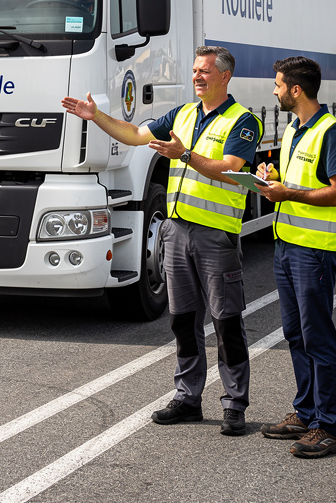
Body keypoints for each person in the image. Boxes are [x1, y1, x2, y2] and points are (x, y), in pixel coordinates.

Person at [62, 46, 262, 436]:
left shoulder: (243, 122)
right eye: (194, 70)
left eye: (204, 71)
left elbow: (230, 170)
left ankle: (234, 404)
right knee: (183, 322)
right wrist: (96, 117)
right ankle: (188, 398)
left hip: (215, 237)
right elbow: (136, 135)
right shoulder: (184, 114)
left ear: (225, 76)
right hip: (176, 231)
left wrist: (184, 154)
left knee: (226, 322)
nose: (197, 76)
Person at [255, 56, 336, 458]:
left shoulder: (333, 133)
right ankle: (306, 410)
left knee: (318, 337)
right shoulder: (294, 128)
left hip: (314, 252)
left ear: (296, 90)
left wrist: (287, 194)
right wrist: (273, 179)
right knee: (295, 334)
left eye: (278, 84)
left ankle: (326, 427)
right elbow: (299, 182)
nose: (274, 90)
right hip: (287, 246)